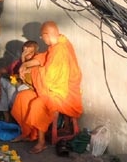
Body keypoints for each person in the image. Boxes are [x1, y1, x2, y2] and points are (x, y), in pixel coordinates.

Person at [10, 21, 83, 154]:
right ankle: (29, 133)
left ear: (46, 34)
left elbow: (50, 78)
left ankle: (41, 142)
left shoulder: (61, 49)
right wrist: (25, 65)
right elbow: (43, 58)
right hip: (51, 89)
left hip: (63, 94)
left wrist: (33, 71)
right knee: (22, 97)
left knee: (38, 104)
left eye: (41, 36)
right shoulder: (56, 45)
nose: (41, 39)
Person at [0, 41, 39, 121]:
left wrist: (24, 60)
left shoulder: (38, 62)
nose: (27, 54)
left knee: (22, 87)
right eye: (25, 51)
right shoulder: (17, 63)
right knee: (1, 81)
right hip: (15, 88)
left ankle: (20, 118)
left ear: (36, 52)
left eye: (30, 52)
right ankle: (5, 117)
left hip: (28, 91)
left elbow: (26, 78)